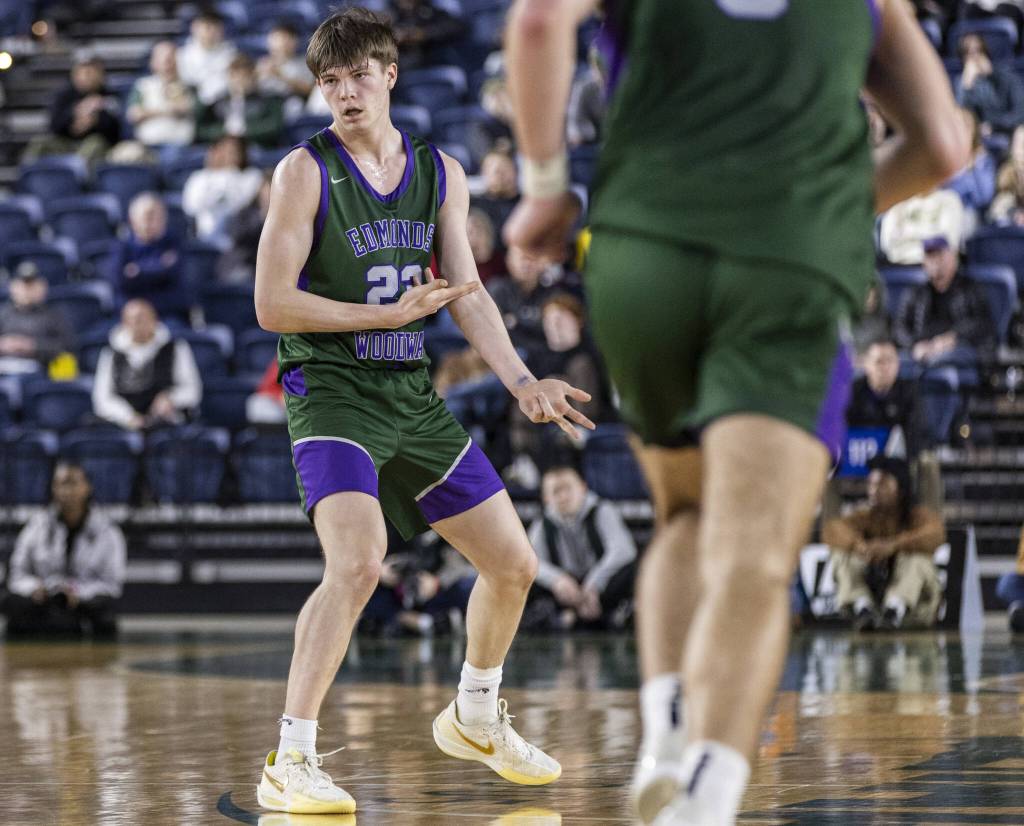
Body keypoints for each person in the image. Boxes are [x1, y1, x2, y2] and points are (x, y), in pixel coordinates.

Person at [503, 1, 968, 825]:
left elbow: (539, 22)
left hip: (643, 252)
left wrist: (542, 188)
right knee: (755, 552)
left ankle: (663, 737)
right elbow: (942, 144)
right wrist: (823, 209)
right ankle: (707, 792)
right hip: (787, 258)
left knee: (684, 511)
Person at [252, 8, 593, 815]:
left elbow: (466, 292)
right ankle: (290, 756)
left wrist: (521, 380)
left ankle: (476, 713)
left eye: (357, 76)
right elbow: (271, 304)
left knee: (514, 565)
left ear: (390, 74)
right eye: (329, 81)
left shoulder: (439, 170)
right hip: (330, 392)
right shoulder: (304, 171)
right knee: (359, 563)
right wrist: (379, 317)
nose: (344, 93)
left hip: (408, 392)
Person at [3, 461, 126, 637]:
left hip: (83, 602)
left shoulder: (107, 531)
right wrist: (35, 587)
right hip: (43, 598)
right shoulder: (37, 524)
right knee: (12, 603)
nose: (67, 491)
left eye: (73, 483)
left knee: (104, 612)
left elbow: (111, 584)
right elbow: (17, 573)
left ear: (87, 488)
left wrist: (77, 593)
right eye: (61, 484)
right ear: (53, 488)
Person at [822, 456, 945, 631]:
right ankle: (861, 607)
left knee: (917, 558)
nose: (873, 490)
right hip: (874, 606)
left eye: (881, 484)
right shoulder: (866, 515)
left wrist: (893, 545)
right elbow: (831, 532)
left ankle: (895, 609)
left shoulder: (916, 515)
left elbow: (936, 534)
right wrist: (859, 546)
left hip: (915, 611)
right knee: (842, 556)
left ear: (900, 489)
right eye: (871, 484)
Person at [526, 463, 637, 630]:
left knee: (634, 570)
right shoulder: (543, 523)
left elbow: (624, 551)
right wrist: (557, 580)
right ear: (546, 498)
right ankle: (568, 616)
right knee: (523, 580)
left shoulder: (602, 510)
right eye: (556, 491)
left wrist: (594, 584)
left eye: (568, 489)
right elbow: (529, 561)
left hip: (602, 586)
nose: (563, 497)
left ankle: (612, 614)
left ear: (583, 488)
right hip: (566, 591)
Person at [92, 299, 202, 431]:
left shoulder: (176, 347)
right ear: (124, 323)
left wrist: (171, 399)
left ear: (154, 319)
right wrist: (128, 417)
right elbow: (102, 399)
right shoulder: (110, 353)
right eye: (132, 320)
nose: (137, 324)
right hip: (123, 425)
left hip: (166, 422)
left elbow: (192, 390)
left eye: (141, 318)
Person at [894, 233, 996, 375]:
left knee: (943, 362)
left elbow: (983, 323)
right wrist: (915, 346)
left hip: (960, 347)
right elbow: (900, 328)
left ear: (953, 257)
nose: (936, 262)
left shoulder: (971, 288)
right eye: (930, 257)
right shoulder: (915, 293)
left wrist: (953, 338)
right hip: (924, 349)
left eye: (940, 255)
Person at [21, 53, 121, 164]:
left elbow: (115, 131)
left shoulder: (109, 95)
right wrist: (76, 113)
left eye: (90, 72)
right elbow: (54, 125)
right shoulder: (64, 95)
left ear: (100, 75)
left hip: (94, 143)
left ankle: (78, 180)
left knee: (95, 145)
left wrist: (94, 121)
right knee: (39, 143)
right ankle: (34, 178)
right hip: (65, 143)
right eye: (82, 72)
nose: (85, 76)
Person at [107, 192, 191, 323]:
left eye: (157, 216)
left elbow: (175, 279)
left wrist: (138, 271)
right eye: (147, 216)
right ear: (132, 220)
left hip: (167, 315)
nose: (152, 221)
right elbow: (120, 282)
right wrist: (160, 267)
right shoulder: (121, 247)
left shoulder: (174, 243)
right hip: (131, 320)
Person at [847, 337, 925, 455]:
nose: (885, 367)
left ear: (898, 364)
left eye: (890, 361)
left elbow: (916, 437)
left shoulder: (910, 393)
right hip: (855, 462)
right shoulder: (851, 392)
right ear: (866, 364)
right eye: (879, 362)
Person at [182, 135, 264, 245]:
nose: (227, 155)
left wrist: (228, 173)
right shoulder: (199, 177)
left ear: (242, 153)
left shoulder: (252, 176)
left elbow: (243, 204)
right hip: (204, 235)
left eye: (233, 151)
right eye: (223, 149)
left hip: (238, 235)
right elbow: (191, 206)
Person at [195, 53, 285, 148]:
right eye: (235, 76)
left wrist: (245, 130)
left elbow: (275, 126)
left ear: (253, 77)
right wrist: (224, 130)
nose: (239, 81)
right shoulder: (220, 100)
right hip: (224, 146)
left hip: (256, 147)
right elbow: (202, 129)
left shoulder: (268, 98)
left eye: (244, 76)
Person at [0, 262, 74, 374]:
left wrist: (33, 346)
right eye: (24, 284)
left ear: (42, 287)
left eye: (32, 284)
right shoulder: (3, 314)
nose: (27, 290)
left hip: (40, 373)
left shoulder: (53, 315)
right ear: (13, 287)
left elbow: (68, 347)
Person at [126, 40, 196, 148]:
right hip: (147, 145)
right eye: (163, 58)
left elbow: (185, 108)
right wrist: (169, 110)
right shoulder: (143, 85)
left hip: (178, 144)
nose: (168, 63)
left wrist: (148, 112)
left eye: (171, 58)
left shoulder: (188, 85)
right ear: (153, 62)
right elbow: (134, 114)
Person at [955, 33, 1024, 136]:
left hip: (1009, 134)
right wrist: (966, 85)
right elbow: (960, 119)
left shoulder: (1007, 76)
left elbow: (1020, 113)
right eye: (967, 52)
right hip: (979, 139)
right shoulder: (963, 83)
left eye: (978, 50)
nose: (974, 56)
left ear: (986, 52)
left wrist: (993, 125)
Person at [176, 9, 236, 105]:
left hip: (225, 104)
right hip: (193, 106)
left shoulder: (232, 54)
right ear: (194, 28)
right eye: (207, 26)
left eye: (216, 26)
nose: (212, 31)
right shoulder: (183, 55)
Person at [257, 20, 315, 116]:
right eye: (276, 37)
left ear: (294, 41)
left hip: (289, 101)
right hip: (265, 102)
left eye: (285, 38)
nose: (280, 42)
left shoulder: (304, 63)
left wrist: (279, 75)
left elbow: (309, 90)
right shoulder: (263, 63)